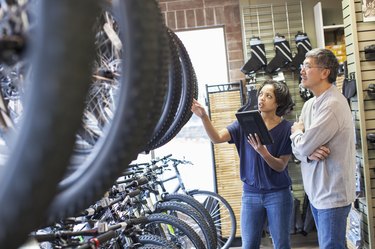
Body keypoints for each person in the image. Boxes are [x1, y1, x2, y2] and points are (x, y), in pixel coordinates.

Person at [191, 80, 295, 249]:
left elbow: (280, 166)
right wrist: (204, 116)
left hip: (278, 195)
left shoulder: (286, 129)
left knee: (281, 245)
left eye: (268, 96)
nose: (262, 98)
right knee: (248, 246)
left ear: (278, 103)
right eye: (261, 94)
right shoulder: (245, 123)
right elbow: (216, 138)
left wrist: (262, 151)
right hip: (250, 195)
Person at [290, 48, 356, 249]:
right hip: (317, 193)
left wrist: (298, 136)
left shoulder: (333, 104)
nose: (302, 70)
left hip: (332, 196)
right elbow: (298, 149)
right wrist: (307, 152)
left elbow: (300, 143)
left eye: (307, 66)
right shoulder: (310, 104)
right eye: (302, 66)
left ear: (325, 72)